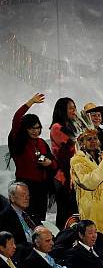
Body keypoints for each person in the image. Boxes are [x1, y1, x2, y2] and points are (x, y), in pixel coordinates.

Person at [8, 93, 57, 222]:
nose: (35, 131)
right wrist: (30, 102)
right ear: (25, 129)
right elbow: (17, 118)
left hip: (42, 187)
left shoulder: (41, 142)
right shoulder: (19, 141)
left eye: (38, 128)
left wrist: (49, 163)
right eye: (31, 128)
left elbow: (54, 164)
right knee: (26, 219)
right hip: (25, 185)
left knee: (40, 219)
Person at [50, 97, 79, 229]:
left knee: (74, 211)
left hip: (74, 174)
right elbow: (69, 147)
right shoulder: (57, 127)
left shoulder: (72, 126)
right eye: (70, 108)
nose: (74, 111)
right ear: (62, 110)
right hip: (64, 177)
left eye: (75, 108)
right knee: (65, 212)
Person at [0, 182, 41, 262]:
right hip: (26, 255)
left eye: (28, 195)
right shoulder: (4, 217)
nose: (27, 198)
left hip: (43, 248)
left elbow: (41, 228)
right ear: (12, 198)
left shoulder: (30, 213)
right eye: (23, 195)